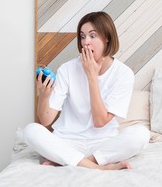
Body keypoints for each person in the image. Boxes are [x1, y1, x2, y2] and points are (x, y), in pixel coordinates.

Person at [23, 11, 149, 170]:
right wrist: (44, 95)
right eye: (82, 36)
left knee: (141, 135)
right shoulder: (67, 69)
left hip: (101, 144)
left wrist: (92, 77)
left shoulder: (123, 74)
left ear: (107, 37)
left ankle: (73, 160)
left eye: (92, 36)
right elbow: (46, 120)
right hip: (66, 140)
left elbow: (100, 121)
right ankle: (97, 167)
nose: (86, 42)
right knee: (31, 131)